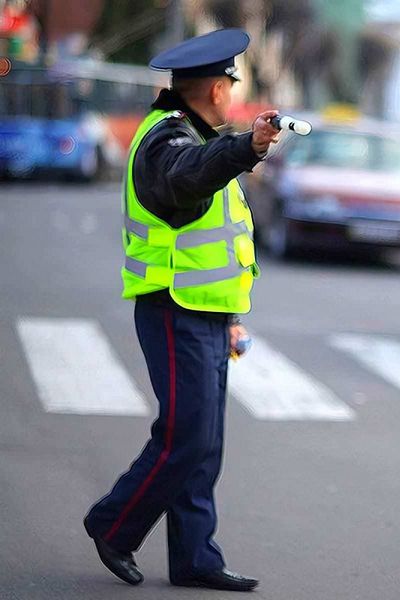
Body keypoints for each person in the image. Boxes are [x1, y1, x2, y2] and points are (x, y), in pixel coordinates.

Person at [82, 28, 280, 592]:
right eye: (228, 83)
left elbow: (220, 238)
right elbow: (185, 180)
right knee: (185, 436)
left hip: (208, 312)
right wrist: (246, 148)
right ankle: (112, 525)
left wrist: (232, 316)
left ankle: (196, 557)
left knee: (203, 441)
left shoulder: (194, 134)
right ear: (218, 89)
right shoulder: (165, 142)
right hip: (174, 308)